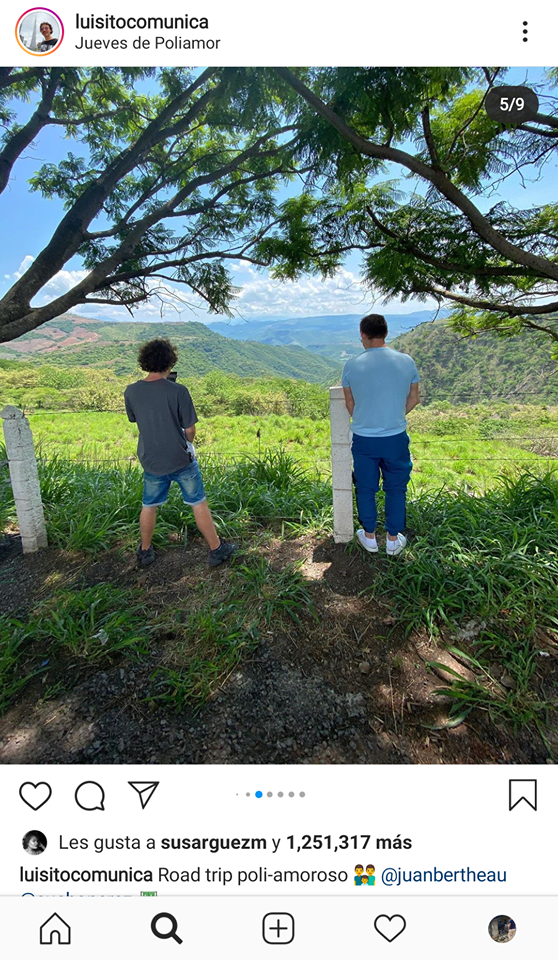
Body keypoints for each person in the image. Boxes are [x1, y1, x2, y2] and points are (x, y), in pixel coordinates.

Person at [124, 338, 236, 567]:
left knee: (149, 505)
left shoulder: (131, 391)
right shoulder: (178, 391)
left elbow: (135, 418)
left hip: (151, 460)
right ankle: (216, 548)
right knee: (198, 502)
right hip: (180, 459)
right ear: (170, 361)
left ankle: (145, 551)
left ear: (144, 361)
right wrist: (188, 443)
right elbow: (190, 429)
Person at [342, 314, 420, 557]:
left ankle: (369, 537)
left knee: (365, 487)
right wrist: (394, 416)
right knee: (396, 487)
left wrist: (368, 420)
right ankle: (393, 540)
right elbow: (414, 398)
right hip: (396, 436)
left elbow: (350, 403)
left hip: (364, 439)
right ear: (385, 333)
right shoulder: (407, 361)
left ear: (363, 334)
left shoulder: (352, 365)